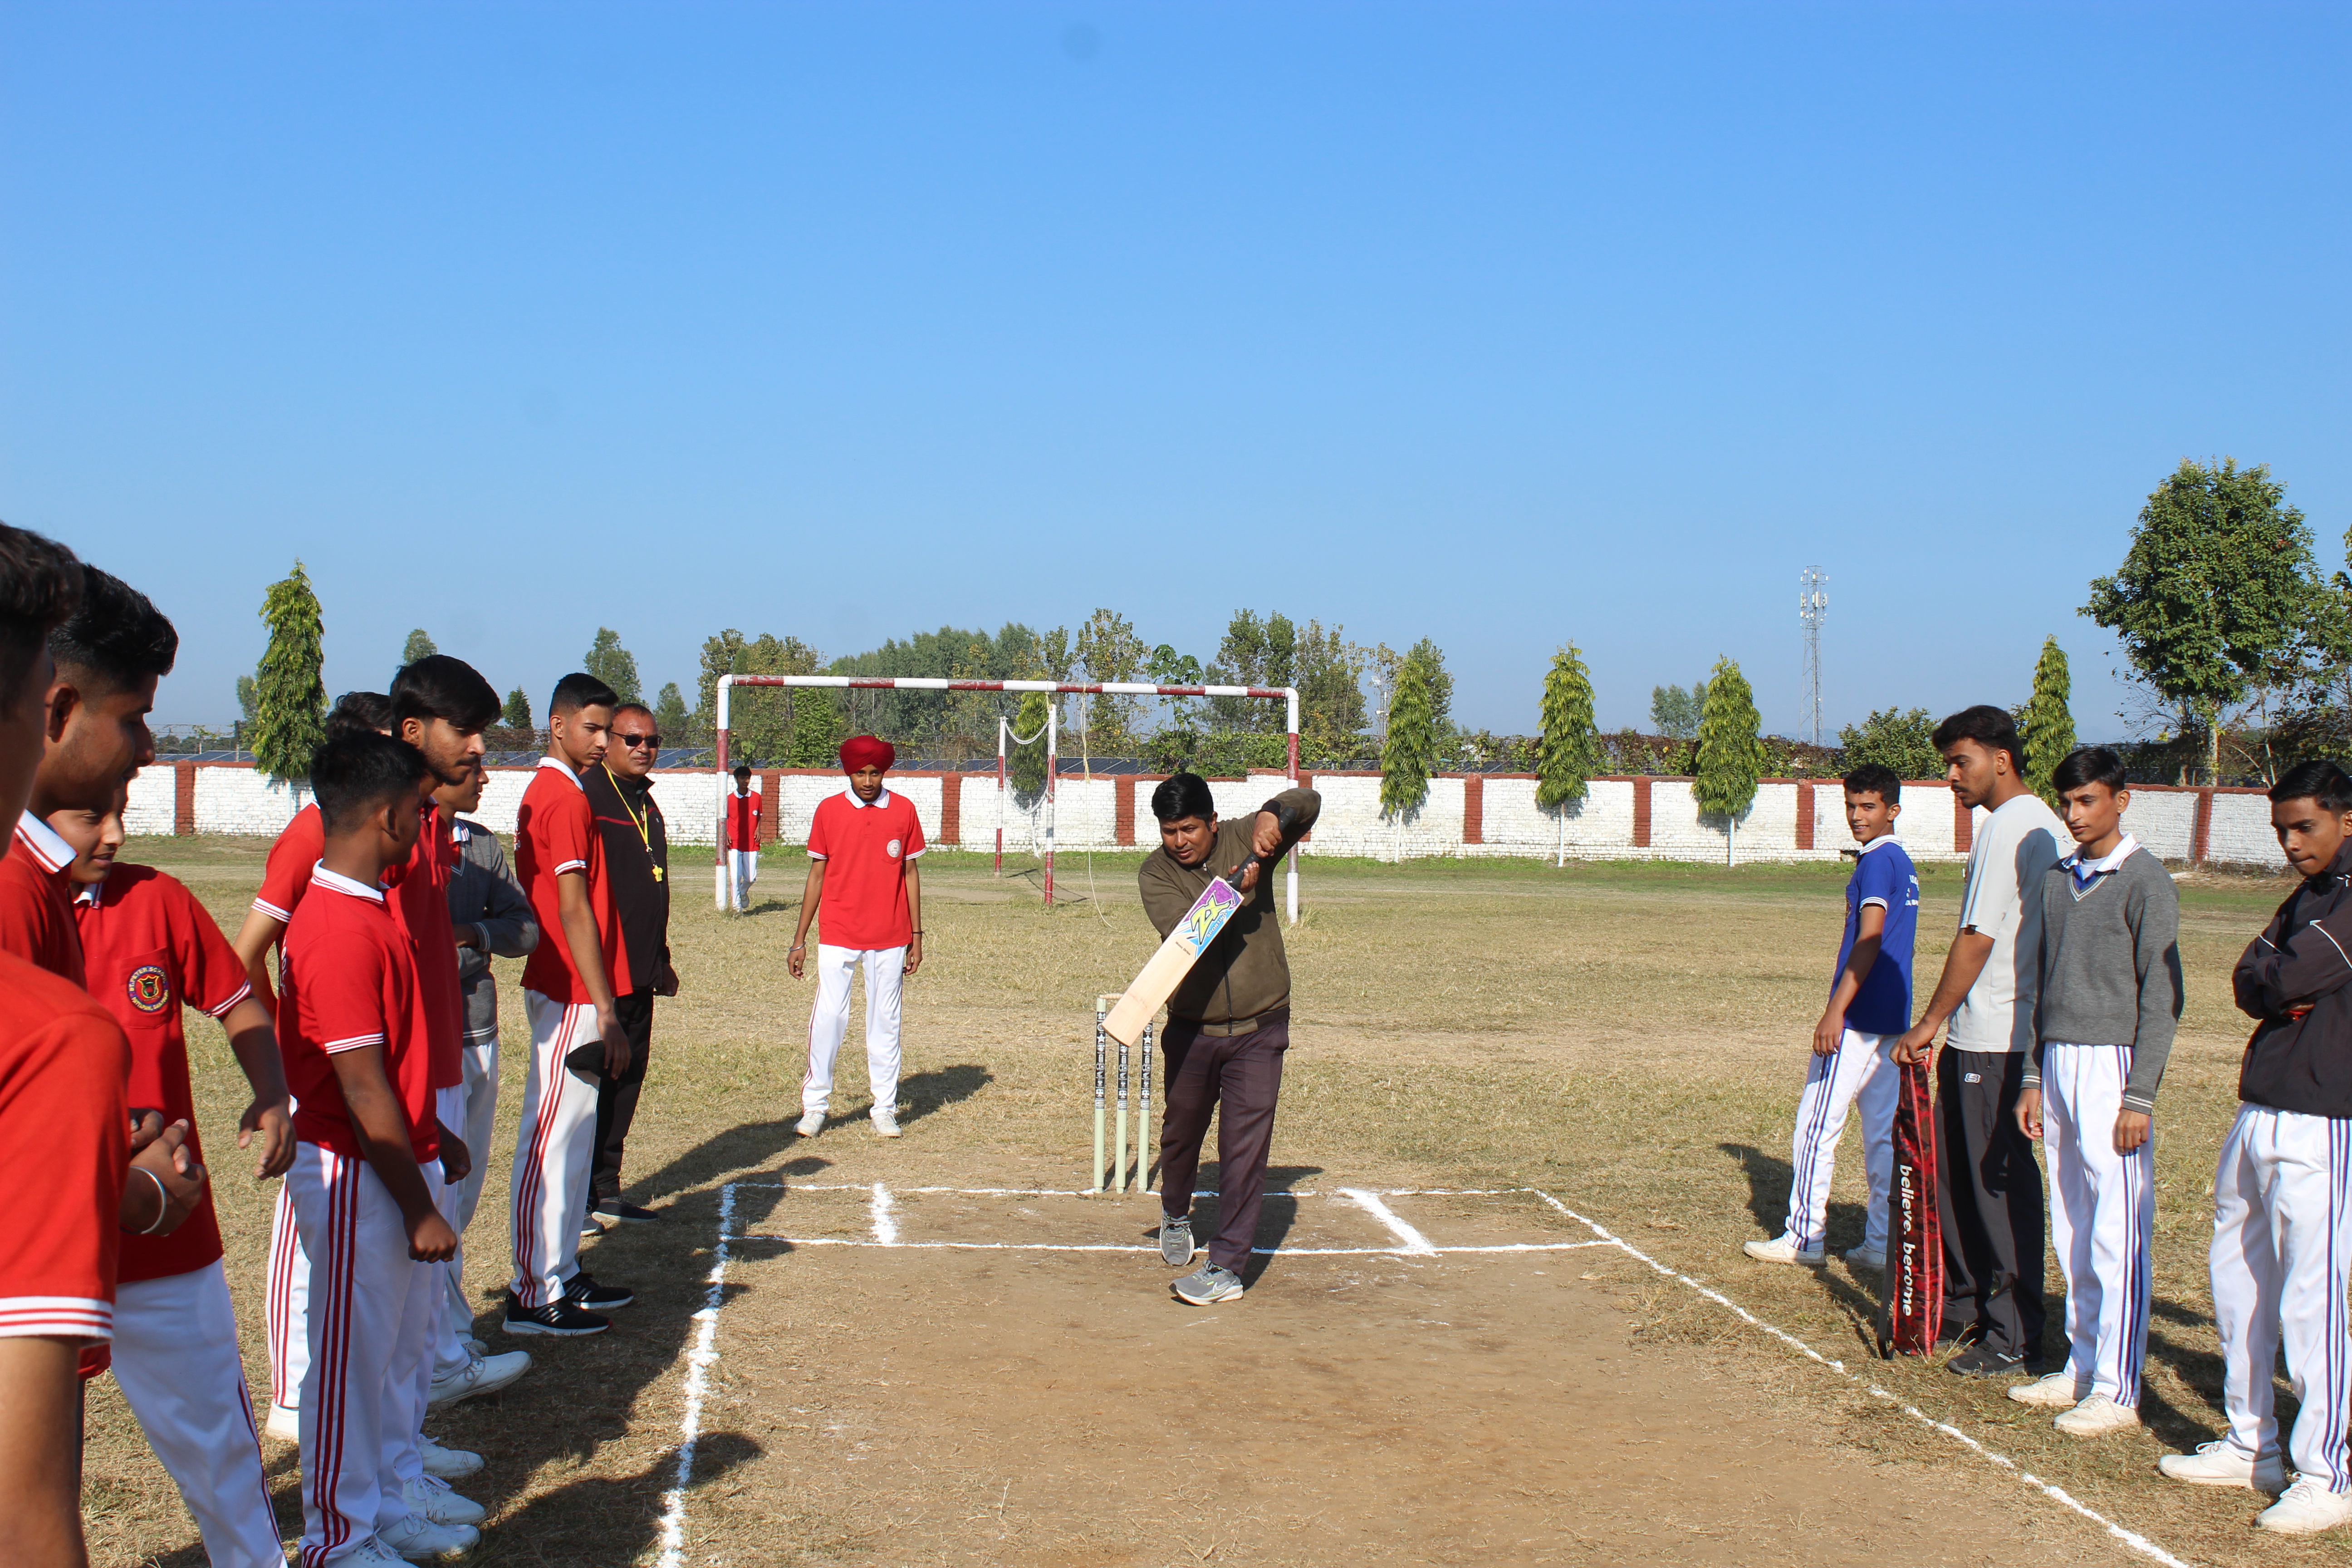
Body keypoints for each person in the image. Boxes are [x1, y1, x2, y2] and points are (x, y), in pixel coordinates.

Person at [58, 789, 293, 1568]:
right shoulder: (14, 914)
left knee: (221, 1448)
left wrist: (270, 1091)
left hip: (168, 1244)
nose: (117, 832)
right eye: (93, 815)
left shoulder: (156, 899)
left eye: (121, 810)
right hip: (42, 1246)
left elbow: (236, 998)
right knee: (37, 1476)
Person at [278, 730, 475, 1565]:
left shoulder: (370, 907)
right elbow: (361, 1091)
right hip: (359, 1176)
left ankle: (385, 1502)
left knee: (395, 1353)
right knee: (353, 1363)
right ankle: (335, 1535)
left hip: (395, 1164)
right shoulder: (336, 927)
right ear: (393, 813)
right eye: (420, 810)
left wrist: (437, 1140)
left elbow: (393, 1066)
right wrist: (417, 1200)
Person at [2157, 760, 2352, 1531]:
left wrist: (2276, 976)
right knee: (2236, 1273)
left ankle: (2325, 1472)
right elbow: (2249, 981)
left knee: (2311, 1297)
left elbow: (2286, 972)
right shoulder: (2303, 898)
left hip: (2322, 1115)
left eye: (2303, 826)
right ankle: (2250, 1440)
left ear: (2344, 819)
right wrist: (2275, 977)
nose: (2289, 842)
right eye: (2279, 830)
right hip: (2260, 1105)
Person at [0, 522, 137, 1568]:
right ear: (51, 712)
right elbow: (24, 1515)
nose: (142, 748)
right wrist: (130, 1193)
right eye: (135, 718)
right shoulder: (54, 1034)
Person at [2001, 746, 2180, 1438]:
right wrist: (2031, 1076)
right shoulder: (2056, 879)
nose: (2076, 815)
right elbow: (2040, 984)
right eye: (2068, 803)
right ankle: (2081, 1365)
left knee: (2118, 1228)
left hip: (2114, 1067)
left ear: (2120, 801)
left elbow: (2163, 997)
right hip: (2060, 1065)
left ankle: (2118, 1386)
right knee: (2073, 1225)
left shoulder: (2146, 881)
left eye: (2089, 802)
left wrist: (2139, 1096)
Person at [1894, 705, 2066, 1378]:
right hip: (1984, 1035)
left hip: (1997, 1036)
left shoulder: (2016, 825)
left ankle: (2016, 1332)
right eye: (1947, 764)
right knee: (1961, 1179)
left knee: (1997, 1189)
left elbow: (1978, 938)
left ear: (2001, 757)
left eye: (1960, 761)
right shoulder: (2023, 824)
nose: (1952, 777)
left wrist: (1930, 1020)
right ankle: (1964, 1307)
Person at [1139, 771, 1320, 1306]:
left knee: (1245, 1147)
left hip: (1261, 1028)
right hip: (1194, 1031)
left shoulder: (1245, 837)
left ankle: (1226, 1267)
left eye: (1190, 829)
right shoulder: (1156, 874)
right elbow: (1186, 935)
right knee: (1181, 1136)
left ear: (1214, 823)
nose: (1180, 842)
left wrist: (1274, 814)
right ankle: (1176, 1211)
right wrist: (1235, 893)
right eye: (1170, 831)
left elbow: (1309, 801)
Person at [1742, 762, 1918, 1270]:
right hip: (1891, 1018)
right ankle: (1882, 1244)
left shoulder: (1877, 864)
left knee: (1817, 1127)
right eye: (1851, 806)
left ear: (1893, 810)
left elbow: (1869, 938)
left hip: (1860, 1017)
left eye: (1869, 807)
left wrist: (1834, 1012)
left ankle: (1805, 1238)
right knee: (1881, 1136)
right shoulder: (1904, 861)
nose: (1857, 816)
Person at [506, 672, 636, 1336]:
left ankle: (560, 1268)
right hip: (566, 986)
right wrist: (604, 1004)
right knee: (551, 1135)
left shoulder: (571, 792)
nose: (601, 741)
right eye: (591, 728)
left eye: (606, 730)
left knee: (576, 1134)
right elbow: (571, 904)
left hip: (580, 985)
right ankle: (532, 1290)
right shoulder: (560, 797)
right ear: (558, 726)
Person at [439, 744, 538, 1385]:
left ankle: (447, 1335)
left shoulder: (481, 846)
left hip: (477, 1026)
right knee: (435, 1193)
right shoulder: (400, 847)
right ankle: (445, 1346)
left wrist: (475, 933)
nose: (486, 775)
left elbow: (522, 929)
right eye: (473, 766)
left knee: (464, 1186)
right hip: (424, 1041)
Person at [789, 735, 925, 1139]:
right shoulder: (829, 811)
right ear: (847, 772)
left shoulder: (903, 810)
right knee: (830, 1017)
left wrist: (916, 935)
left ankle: (884, 1107)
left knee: (885, 1021)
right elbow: (816, 875)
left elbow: (911, 874)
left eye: (875, 773)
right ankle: (815, 1106)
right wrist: (799, 939)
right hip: (838, 932)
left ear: (885, 772)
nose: (868, 781)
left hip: (890, 934)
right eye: (860, 773)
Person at [583, 701, 678, 1226]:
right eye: (632, 740)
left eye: (652, 741)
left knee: (627, 1083)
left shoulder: (646, 803)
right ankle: (577, 1197)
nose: (645, 749)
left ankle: (606, 1188)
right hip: (602, 976)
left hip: (641, 971)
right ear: (609, 742)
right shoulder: (590, 797)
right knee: (591, 1089)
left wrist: (660, 958)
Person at [724, 763, 762, 913]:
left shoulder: (756, 797)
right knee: (735, 876)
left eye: (747, 778)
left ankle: (742, 892)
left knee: (751, 877)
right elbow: (724, 818)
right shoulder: (729, 799)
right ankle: (736, 907)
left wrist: (758, 829)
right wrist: (726, 833)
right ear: (736, 779)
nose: (745, 781)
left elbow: (759, 816)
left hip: (751, 841)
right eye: (742, 778)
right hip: (734, 841)